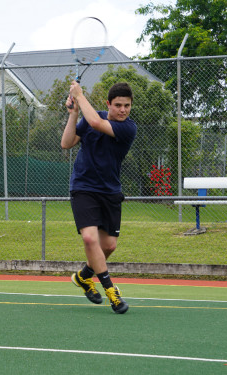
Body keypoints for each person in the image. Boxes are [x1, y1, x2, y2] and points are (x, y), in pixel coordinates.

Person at [61, 81, 137, 314]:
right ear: (108, 104)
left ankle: (84, 277)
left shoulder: (128, 129)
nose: (123, 110)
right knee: (90, 240)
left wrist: (79, 95)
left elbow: (95, 122)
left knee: (109, 246)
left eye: (127, 106)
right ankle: (112, 292)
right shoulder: (92, 116)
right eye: (118, 105)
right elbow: (66, 143)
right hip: (83, 187)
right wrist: (73, 115)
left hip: (110, 191)